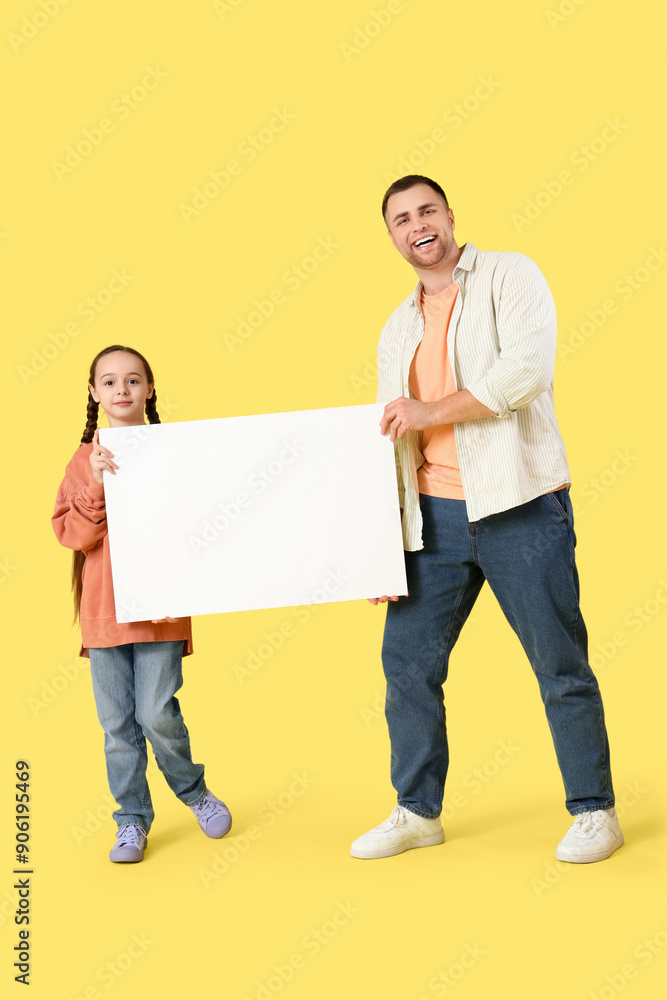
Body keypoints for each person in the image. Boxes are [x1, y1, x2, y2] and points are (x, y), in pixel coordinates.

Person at [350, 175, 623, 864]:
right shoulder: (395, 326)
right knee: (406, 667)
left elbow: (524, 372)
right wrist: (383, 542)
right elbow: (390, 433)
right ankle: (416, 812)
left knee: (558, 663)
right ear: (390, 236)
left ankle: (593, 812)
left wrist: (430, 412)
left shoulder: (509, 276)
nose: (416, 224)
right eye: (400, 218)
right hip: (432, 519)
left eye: (426, 210)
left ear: (448, 216)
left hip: (518, 505)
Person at [52, 345, 232, 863]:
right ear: (93, 393)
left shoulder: (174, 450)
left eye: (133, 380)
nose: (121, 390)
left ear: (150, 388)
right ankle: (131, 820)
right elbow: (72, 535)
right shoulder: (83, 460)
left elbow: (203, 524)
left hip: (160, 607)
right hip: (104, 612)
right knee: (116, 726)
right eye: (108, 382)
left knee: (156, 713)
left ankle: (194, 791)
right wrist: (97, 481)